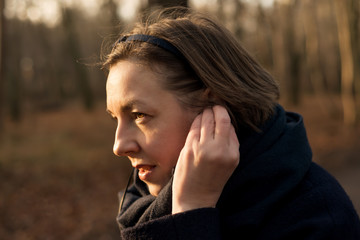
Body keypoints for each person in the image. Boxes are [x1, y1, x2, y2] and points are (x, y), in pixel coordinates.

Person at [102, 7, 360, 240]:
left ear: (215, 105)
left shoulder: (316, 217)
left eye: (139, 115)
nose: (118, 146)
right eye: (116, 118)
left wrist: (191, 212)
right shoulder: (141, 205)